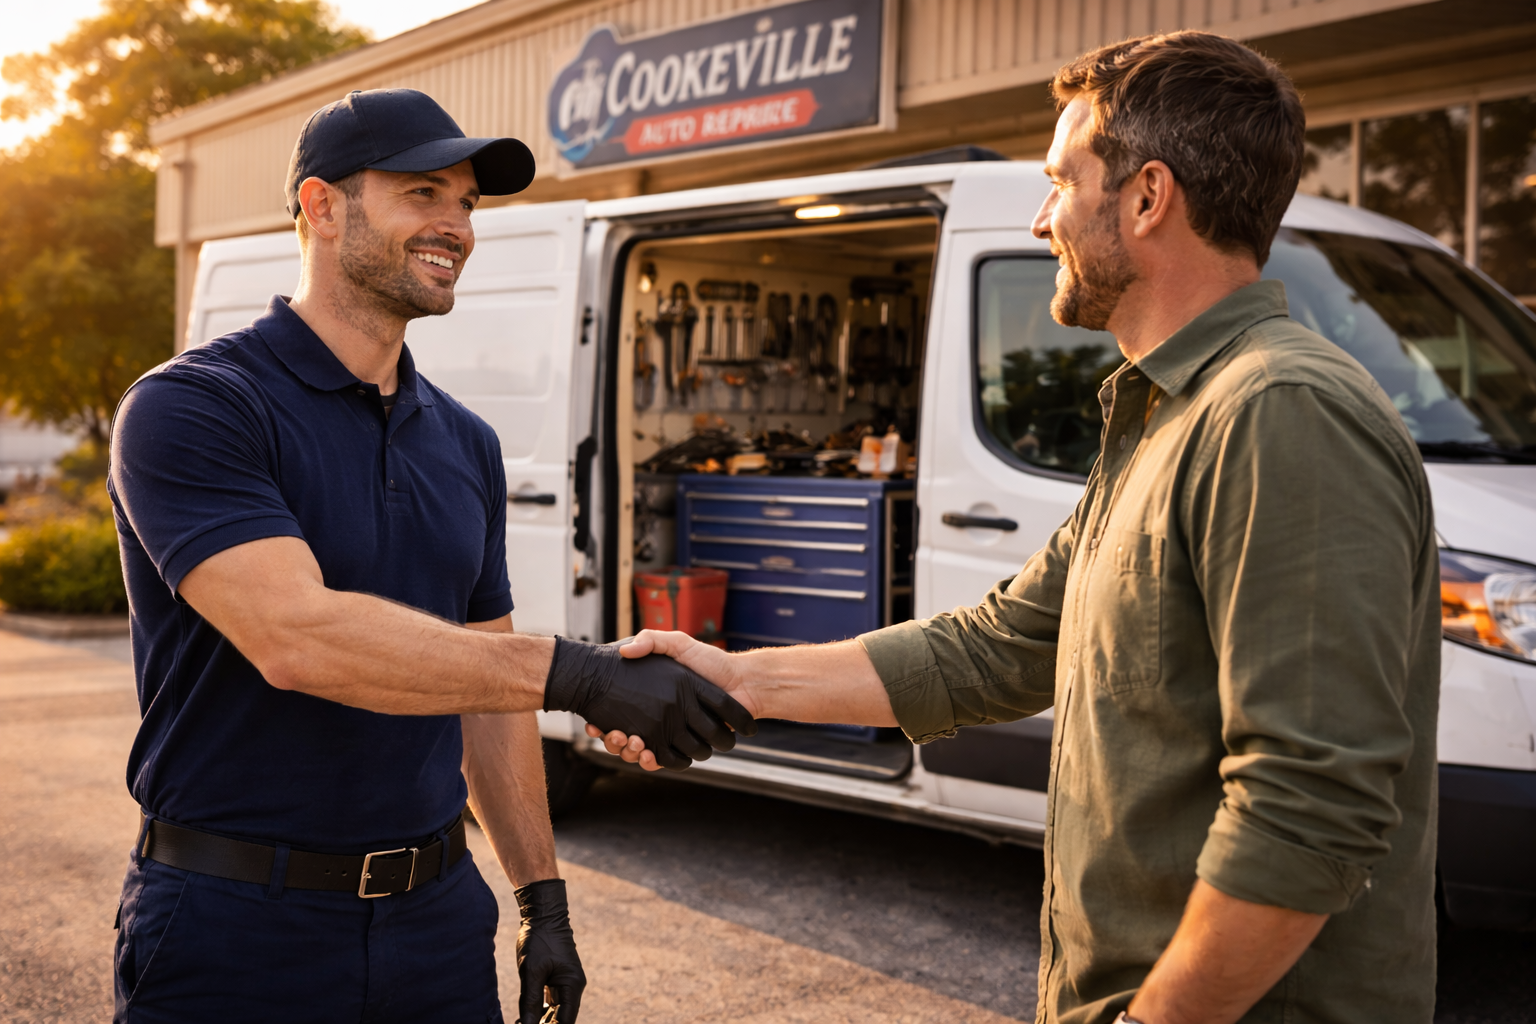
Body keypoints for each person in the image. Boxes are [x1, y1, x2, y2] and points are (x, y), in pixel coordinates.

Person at [595, 31, 1440, 1024]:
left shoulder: (1278, 413)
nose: (1044, 218)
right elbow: (996, 644)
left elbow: (1311, 803)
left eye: (1059, 181)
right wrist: (742, 677)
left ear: (1147, 197)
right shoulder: (1167, 413)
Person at [107, 88, 753, 1024]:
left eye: (468, 204)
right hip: (237, 924)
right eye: (424, 194)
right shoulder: (196, 407)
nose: (456, 226)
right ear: (323, 207)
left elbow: (486, 699)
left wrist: (542, 901)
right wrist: (580, 674)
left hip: (439, 922)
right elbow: (299, 640)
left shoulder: (466, 441)